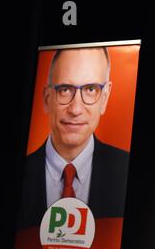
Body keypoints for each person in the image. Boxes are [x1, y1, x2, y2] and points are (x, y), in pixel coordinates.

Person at [18, 47, 129, 229]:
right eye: (65, 90)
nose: (76, 109)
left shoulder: (129, 171)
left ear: (105, 98)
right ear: (47, 99)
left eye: (91, 89)